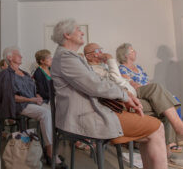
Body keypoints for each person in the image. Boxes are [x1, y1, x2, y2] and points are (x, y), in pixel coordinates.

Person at [50, 19, 167, 169]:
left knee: (150, 125)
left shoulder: (69, 56)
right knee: (157, 127)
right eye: (78, 29)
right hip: (87, 116)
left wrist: (126, 95)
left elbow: (98, 81)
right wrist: (125, 96)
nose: (82, 32)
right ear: (67, 34)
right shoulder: (66, 57)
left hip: (90, 112)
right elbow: (95, 85)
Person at [85, 43, 183, 158]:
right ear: (89, 56)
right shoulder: (92, 71)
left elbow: (120, 80)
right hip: (124, 98)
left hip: (133, 91)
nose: (102, 53)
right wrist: (110, 60)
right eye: (98, 51)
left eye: (101, 49)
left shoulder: (103, 67)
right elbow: (116, 80)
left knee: (157, 89)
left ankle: (176, 133)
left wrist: (129, 81)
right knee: (164, 106)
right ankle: (177, 134)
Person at [0, 46, 66, 168]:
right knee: (45, 114)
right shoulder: (6, 74)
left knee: (54, 112)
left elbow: (33, 90)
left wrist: (36, 96)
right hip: (19, 105)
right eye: (18, 54)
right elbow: (11, 97)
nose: (21, 56)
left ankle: (50, 148)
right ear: (9, 57)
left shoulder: (24, 73)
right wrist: (30, 99)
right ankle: (50, 152)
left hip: (30, 102)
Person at [116, 43, 183, 143]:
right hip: (136, 92)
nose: (135, 52)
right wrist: (147, 87)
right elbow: (130, 84)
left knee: (168, 102)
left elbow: (147, 82)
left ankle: (169, 145)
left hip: (147, 91)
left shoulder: (138, 67)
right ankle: (180, 128)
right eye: (132, 50)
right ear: (125, 55)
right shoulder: (122, 68)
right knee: (157, 88)